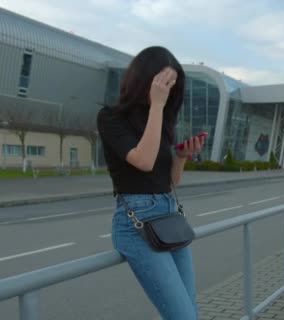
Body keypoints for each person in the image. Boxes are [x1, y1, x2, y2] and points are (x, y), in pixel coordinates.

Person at [97, 46, 204, 319]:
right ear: (145, 78)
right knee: (184, 317)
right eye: (164, 82)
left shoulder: (161, 120)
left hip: (168, 217)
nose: (168, 90)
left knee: (189, 311)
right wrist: (157, 105)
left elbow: (169, 183)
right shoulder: (111, 118)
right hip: (137, 224)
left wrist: (180, 156)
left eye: (172, 85)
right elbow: (143, 161)